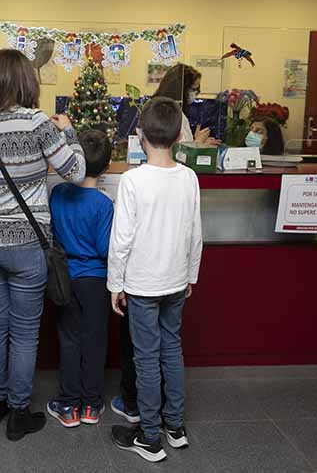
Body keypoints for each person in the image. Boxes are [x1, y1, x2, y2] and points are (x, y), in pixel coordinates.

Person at [0, 49, 85, 442]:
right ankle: (18, 412)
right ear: (27, 82)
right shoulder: (38, 124)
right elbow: (76, 171)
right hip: (27, 244)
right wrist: (69, 132)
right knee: (25, 332)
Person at [108, 98, 202, 463]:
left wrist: (116, 284)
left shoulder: (133, 180)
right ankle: (174, 426)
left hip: (143, 285)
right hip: (176, 280)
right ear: (180, 135)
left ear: (140, 134)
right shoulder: (189, 177)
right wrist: (191, 274)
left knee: (146, 359)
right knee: (172, 349)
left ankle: (149, 436)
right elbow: (196, 233)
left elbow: (122, 239)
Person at [46, 129, 114, 428]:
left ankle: (68, 404)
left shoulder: (58, 193)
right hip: (96, 280)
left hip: (64, 277)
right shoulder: (103, 204)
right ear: (107, 167)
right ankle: (91, 405)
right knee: (95, 341)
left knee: (69, 340)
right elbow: (104, 248)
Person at [152, 63, 216, 146]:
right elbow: (180, 154)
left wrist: (197, 140)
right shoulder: (172, 114)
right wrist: (198, 142)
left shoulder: (165, 110)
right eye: (194, 89)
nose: (197, 93)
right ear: (182, 89)